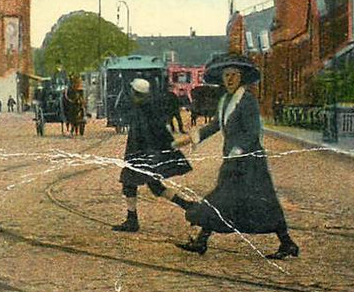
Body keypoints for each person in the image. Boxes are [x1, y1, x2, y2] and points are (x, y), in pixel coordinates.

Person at [173, 54, 299, 260]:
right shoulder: (225, 100)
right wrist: (188, 139)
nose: (229, 79)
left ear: (241, 78)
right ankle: (286, 242)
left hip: (249, 162)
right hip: (233, 161)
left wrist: (237, 151)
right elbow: (214, 126)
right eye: (226, 76)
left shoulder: (247, 100)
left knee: (258, 201)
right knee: (230, 200)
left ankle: (286, 242)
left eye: (233, 75)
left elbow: (252, 131)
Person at [113, 78, 194, 232]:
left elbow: (139, 134)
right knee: (155, 186)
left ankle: (132, 220)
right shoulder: (150, 107)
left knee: (129, 183)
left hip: (139, 156)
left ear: (135, 93)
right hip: (149, 156)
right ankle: (187, 205)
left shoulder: (140, 110)